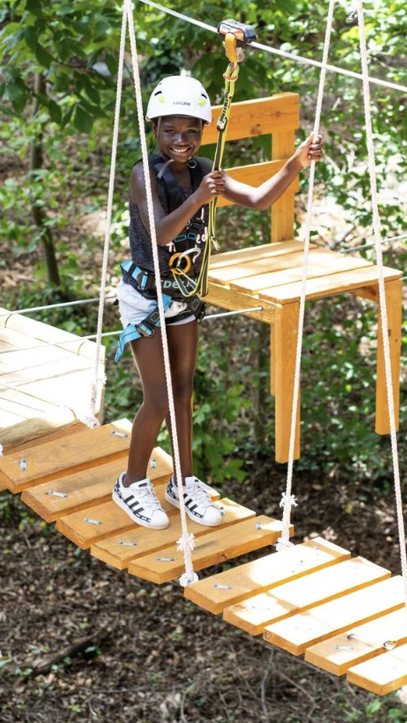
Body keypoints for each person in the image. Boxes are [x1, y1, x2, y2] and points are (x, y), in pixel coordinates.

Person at [111, 75, 322, 529]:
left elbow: (260, 200)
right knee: (161, 396)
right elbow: (162, 232)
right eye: (170, 130)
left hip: (184, 294)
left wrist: (295, 163)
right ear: (156, 130)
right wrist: (201, 198)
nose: (180, 140)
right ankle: (131, 482)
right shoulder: (144, 174)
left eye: (190, 130)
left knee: (184, 393)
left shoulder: (206, 169)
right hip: (147, 298)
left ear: (203, 131)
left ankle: (183, 481)